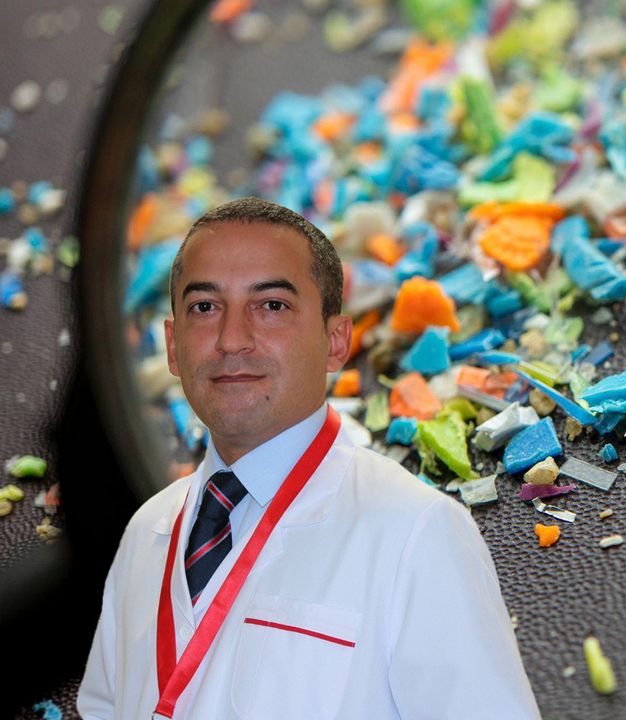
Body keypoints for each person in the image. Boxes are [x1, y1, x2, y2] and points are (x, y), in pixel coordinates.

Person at [77, 197, 541, 719]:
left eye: (271, 305)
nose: (232, 339)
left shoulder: (416, 533)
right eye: (204, 307)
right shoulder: (145, 531)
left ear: (336, 342)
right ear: (172, 345)